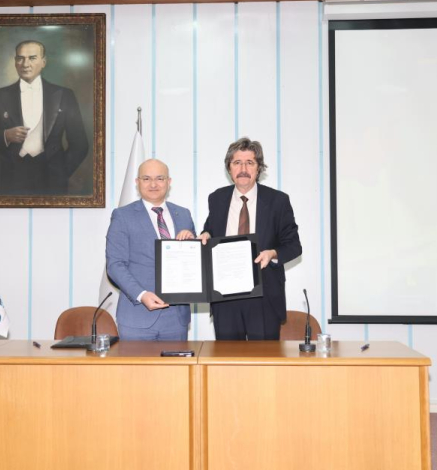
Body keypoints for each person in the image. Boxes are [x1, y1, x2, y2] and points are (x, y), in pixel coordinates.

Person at [199, 138, 301, 340]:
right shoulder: (217, 198)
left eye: (250, 163)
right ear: (229, 168)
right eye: (237, 163)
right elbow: (211, 229)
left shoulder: (278, 201)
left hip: (264, 297)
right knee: (227, 357)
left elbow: (293, 245)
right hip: (224, 297)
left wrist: (272, 253)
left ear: (259, 168)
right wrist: (206, 234)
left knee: (264, 359)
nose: (243, 169)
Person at [0, 40, 89, 195]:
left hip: (53, 179)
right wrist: (6, 135)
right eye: (20, 58)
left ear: (43, 62)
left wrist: (60, 173)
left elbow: (80, 144)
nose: (25, 64)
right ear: (15, 62)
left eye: (32, 58)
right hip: (12, 177)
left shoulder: (64, 95)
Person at [106, 159, 196, 341]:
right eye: (146, 179)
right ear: (137, 182)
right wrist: (141, 295)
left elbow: (194, 262)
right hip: (137, 316)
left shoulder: (183, 214)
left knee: (177, 363)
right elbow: (115, 265)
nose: (153, 184)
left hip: (176, 318)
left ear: (169, 182)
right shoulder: (122, 216)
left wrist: (193, 243)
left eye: (159, 178)